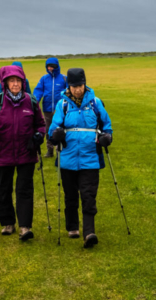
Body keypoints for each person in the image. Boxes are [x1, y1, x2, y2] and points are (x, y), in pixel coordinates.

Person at [48, 68, 113, 249]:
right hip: (68, 159)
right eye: (74, 86)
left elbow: (107, 126)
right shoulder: (62, 105)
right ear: (69, 85)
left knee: (88, 195)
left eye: (80, 85)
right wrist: (56, 134)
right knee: (70, 195)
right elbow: (51, 131)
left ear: (85, 84)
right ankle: (72, 227)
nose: (77, 89)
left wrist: (107, 137)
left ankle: (89, 233)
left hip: (90, 157)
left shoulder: (95, 103)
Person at [0, 65, 46, 241]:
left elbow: (40, 124)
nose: (15, 84)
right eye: (12, 81)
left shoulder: (31, 102)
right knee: (3, 190)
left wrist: (39, 135)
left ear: (23, 82)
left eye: (18, 81)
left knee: (24, 190)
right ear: (5, 83)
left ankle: (25, 227)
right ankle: (8, 223)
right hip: (2, 154)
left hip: (26, 153)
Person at [33, 57, 66, 158]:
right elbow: (38, 91)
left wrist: (63, 105)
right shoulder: (44, 79)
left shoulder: (64, 78)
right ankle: (50, 150)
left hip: (60, 110)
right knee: (48, 130)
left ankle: (60, 150)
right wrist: (34, 102)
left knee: (61, 129)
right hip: (47, 109)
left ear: (57, 66)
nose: (50, 68)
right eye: (48, 66)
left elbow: (68, 92)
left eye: (52, 66)